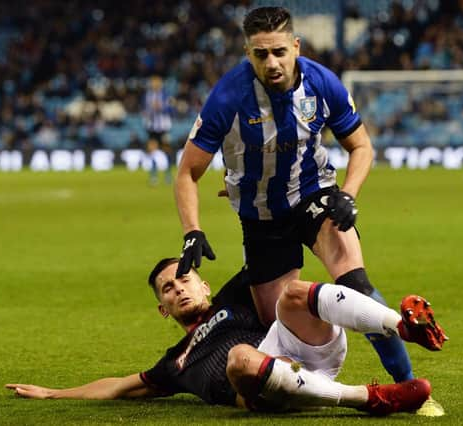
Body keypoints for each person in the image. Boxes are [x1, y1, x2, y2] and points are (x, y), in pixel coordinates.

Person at [174, 6, 424, 398]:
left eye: (278, 52)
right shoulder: (228, 96)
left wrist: (348, 194)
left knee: (357, 286)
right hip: (260, 218)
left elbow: (361, 147)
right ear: (247, 53)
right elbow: (188, 172)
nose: (271, 63)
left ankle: (408, 386)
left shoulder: (323, 83)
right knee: (285, 327)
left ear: (295, 46)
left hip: (313, 194)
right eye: (260, 54)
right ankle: (324, 391)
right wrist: (192, 231)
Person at [6, 258, 447, 415]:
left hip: (296, 351)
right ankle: (370, 398)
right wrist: (53, 394)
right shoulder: (175, 362)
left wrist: (245, 195)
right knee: (239, 357)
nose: (179, 288)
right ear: (163, 309)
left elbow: (267, 250)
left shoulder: (232, 299)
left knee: (292, 293)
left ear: (204, 286)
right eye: (168, 288)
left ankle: (401, 324)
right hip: (260, 386)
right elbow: (120, 387)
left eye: (184, 279)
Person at [143, 75, 174, 185]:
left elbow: (171, 110)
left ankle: (168, 174)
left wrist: (161, 107)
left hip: (164, 127)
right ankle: (153, 176)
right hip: (152, 127)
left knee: (167, 151)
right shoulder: (148, 95)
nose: (155, 84)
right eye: (153, 82)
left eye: (157, 82)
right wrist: (150, 110)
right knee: (152, 151)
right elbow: (145, 110)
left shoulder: (166, 95)